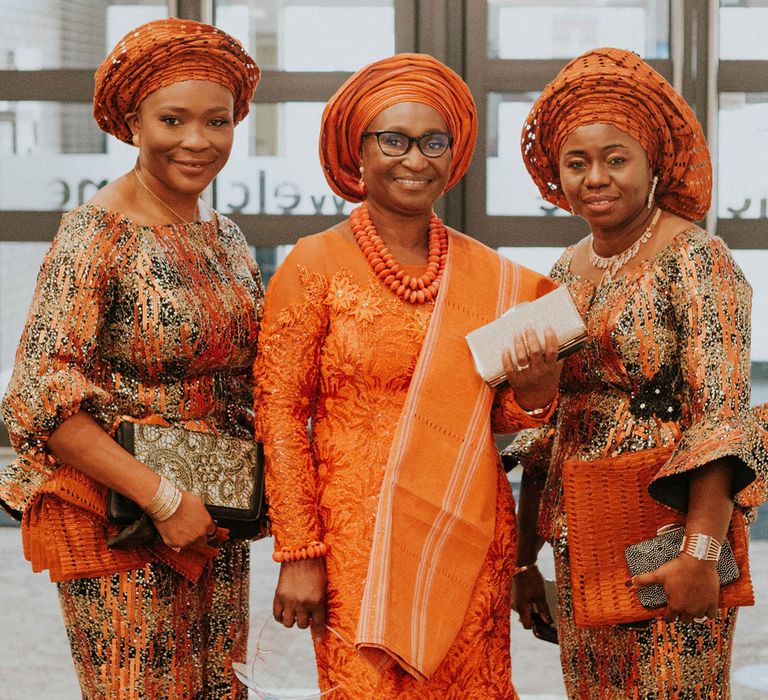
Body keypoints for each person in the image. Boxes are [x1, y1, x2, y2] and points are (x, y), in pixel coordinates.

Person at [253, 53, 561, 697]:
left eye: (433, 141)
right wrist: (300, 551)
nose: (414, 159)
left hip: (465, 531)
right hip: (354, 547)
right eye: (393, 139)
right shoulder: (314, 266)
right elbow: (279, 413)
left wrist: (535, 394)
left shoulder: (489, 278)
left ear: (455, 155)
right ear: (356, 153)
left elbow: (494, 410)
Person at [0, 18, 263, 699]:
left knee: (215, 690)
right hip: (123, 521)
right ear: (133, 121)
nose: (197, 140)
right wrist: (161, 495)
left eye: (218, 120)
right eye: (173, 119)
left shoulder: (225, 236)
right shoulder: (96, 234)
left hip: (214, 514)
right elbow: (40, 394)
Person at [506, 47, 768, 698]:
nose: (595, 177)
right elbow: (553, 424)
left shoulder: (699, 260)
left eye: (615, 158)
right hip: (583, 538)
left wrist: (702, 554)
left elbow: (723, 417)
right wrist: (523, 560)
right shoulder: (567, 269)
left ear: (652, 163)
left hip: (669, 535)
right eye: (577, 162)